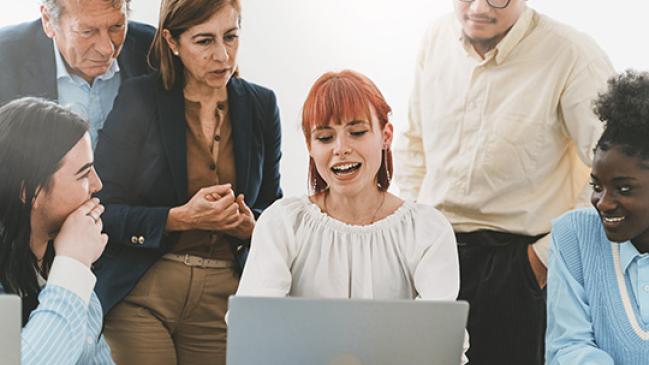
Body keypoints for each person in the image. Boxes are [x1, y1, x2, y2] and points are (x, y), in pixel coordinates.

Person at [396, 0, 616, 363]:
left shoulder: (571, 55)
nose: (480, 7)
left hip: (516, 265)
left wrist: (542, 261)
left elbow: (616, 176)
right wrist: (416, 225)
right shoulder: (436, 38)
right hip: (433, 254)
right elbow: (415, 144)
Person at [92, 0, 283, 363]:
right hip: (143, 294)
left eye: (231, 37)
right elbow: (102, 211)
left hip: (225, 301)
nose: (222, 55)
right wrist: (179, 218)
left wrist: (250, 226)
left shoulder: (261, 105)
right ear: (172, 42)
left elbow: (274, 210)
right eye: (204, 41)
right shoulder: (139, 98)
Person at [236, 70, 467, 364]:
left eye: (357, 132)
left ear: (386, 136)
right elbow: (257, 331)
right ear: (310, 146)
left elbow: (438, 342)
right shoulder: (282, 223)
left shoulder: (427, 230)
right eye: (324, 137)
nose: (341, 149)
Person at [546, 70, 649, 364]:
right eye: (596, 186)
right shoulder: (575, 235)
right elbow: (567, 347)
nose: (603, 203)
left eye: (623, 188)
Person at [0, 97, 111, 364]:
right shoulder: (70, 266)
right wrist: (73, 265)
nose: (98, 184)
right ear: (30, 191)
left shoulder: (54, 263)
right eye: (84, 174)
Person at [0, 0, 154, 147]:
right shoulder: (5, 57)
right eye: (87, 31)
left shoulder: (152, 47)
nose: (107, 49)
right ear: (48, 21)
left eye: (116, 27)